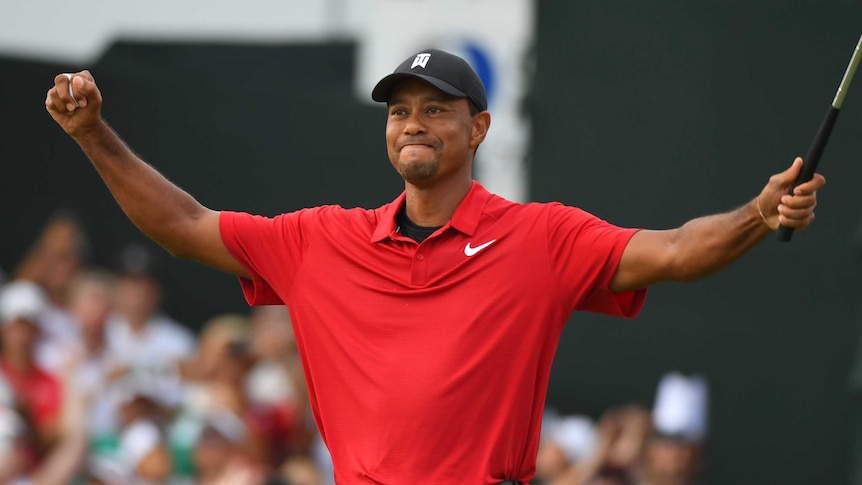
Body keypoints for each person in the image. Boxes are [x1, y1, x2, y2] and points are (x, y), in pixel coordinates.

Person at [45, 48, 825, 484]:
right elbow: (183, 225)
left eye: (435, 109)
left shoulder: (541, 237)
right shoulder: (323, 240)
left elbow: (680, 250)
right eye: (398, 110)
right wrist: (94, 136)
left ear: (479, 127)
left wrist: (758, 212)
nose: (412, 124)